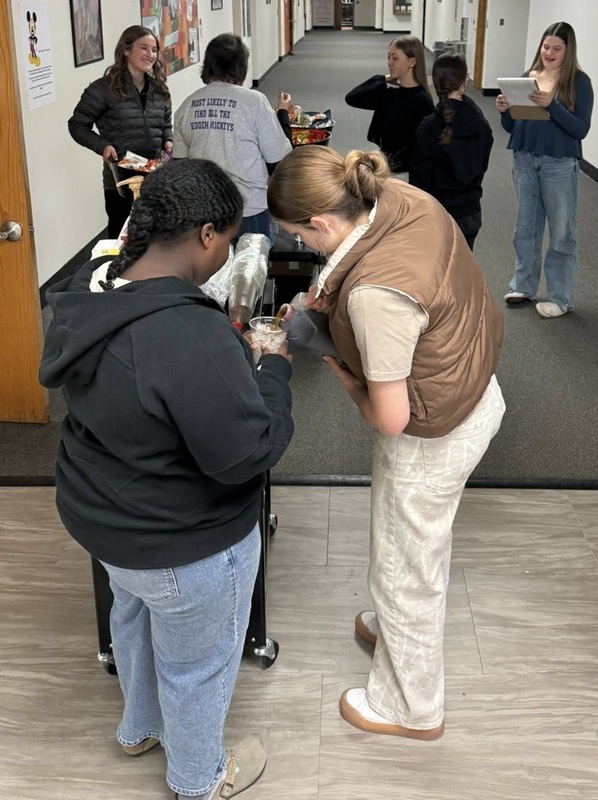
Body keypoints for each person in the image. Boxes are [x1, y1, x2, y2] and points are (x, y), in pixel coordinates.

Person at [39, 159, 294, 799]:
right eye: (230, 238)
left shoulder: (88, 285)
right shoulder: (188, 332)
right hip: (183, 541)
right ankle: (198, 778)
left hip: (104, 519)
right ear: (207, 235)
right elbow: (244, 454)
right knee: (197, 666)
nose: (229, 251)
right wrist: (274, 372)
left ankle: (138, 727)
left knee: (132, 620)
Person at [267, 146, 505, 740]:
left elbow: (392, 418)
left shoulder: (378, 297)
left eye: (300, 235)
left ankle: (410, 707)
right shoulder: (397, 197)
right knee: (411, 537)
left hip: (434, 428)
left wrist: (350, 381)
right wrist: (331, 293)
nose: (303, 245)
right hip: (472, 383)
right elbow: (385, 272)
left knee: (407, 562)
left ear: (322, 223)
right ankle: (393, 624)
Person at [496, 21, 593, 318]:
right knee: (525, 227)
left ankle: (561, 299)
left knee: (562, 232)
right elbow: (513, 126)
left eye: (557, 48)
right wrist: (505, 111)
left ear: (568, 50)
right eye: (546, 46)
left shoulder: (578, 82)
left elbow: (580, 130)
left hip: (559, 164)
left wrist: (552, 105)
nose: (549, 52)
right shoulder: (528, 78)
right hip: (524, 159)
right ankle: (523, 286)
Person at [173, 33, 292, 240]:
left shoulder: (186, 106)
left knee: (213, 271)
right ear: (242, 68)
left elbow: (181, 166)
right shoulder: (254, 101)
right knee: (250, 269)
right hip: (248, 209)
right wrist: (282, 113)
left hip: (205, 212)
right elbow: (279, 158)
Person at [68, 25, 173, 238]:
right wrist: (102, 147)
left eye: (154, 50)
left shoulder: (159, 89)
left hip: (154, 177)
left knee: (156, 237)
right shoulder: (102, 89)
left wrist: (168, 140)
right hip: (122, 180)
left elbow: (165, 124)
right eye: (143, 48)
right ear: (126, 50)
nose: (150, 55)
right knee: (121, 239)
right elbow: (77, 125)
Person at [410, 52, 494, 250]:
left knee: (437, 271)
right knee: (463, 267)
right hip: (470, 211)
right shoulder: (480, 122)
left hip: (438, 213)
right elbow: (483, 163)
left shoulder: (429, 127)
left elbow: (419, 177)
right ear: (465, 79)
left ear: (436, 82)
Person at [345, 35, 434, 177]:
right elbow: (352, 98)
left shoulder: (422, 100)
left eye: (395, 58)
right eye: (388, 57)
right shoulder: (390, 94)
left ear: (412, 62)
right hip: (385, 168)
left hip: (407, 174)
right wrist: (383, 78)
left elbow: (426, 146)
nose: (389, 63)